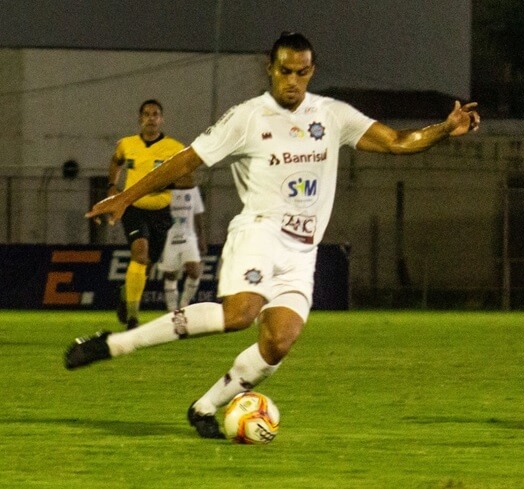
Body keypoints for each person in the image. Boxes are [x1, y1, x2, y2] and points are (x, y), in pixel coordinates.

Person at [65, 32, 480, 439]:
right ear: (271, 69)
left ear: (312, 71)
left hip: (303, 251)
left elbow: (397, 141)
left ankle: (205, 406)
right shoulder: (248, 117)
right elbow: (186, 160)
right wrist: (127, 195)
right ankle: (117, 344)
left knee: (278, 342)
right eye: (285, 71)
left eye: (301, 72)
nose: (293, 81)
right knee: (239, 315)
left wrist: (444, 128)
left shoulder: (331, 115)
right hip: (259, 234)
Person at [108, 99, 185, 329]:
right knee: (139, 254)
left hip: (161, 211)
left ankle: (126, 294)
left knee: (146, 265)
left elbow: (187, 175)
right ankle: (133, 316)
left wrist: (171, 183)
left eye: (156, 114)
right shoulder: (127, 144)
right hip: (134, 207)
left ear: (162, 119)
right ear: (140, 118)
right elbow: (116, 161)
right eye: (147, 114)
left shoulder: (175, 148)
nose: (151, 118)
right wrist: (112, 185)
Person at [158, 172, 207, 311]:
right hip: (169, 237)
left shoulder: (193, 190)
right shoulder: (165, 190)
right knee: (170, 274)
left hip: (189, 236)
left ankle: (185, 304)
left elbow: (198, 214)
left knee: (195, 272)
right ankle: (172, 310)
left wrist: (201, 237)